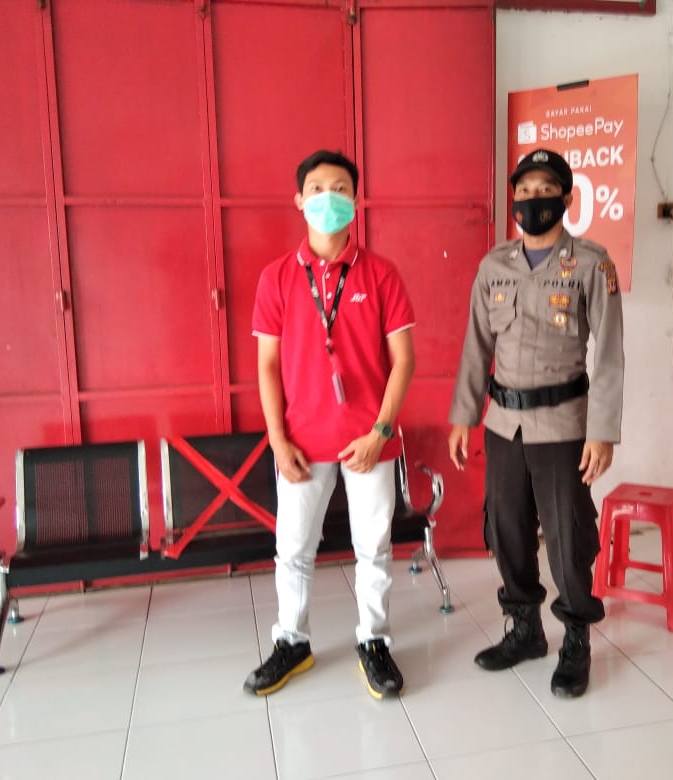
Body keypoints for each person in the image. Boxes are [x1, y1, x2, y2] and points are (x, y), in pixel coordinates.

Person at [447, 148, 624, 698]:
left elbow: (609, 354)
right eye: (523, 192)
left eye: (544, 190)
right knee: (507, 530)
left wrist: (603, 431)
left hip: (563, 426)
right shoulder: (494, 266)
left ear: (565, 198)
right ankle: (525, 630)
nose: (532, 200)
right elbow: (477, 346)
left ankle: (576, 640)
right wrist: (463, 416)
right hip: (503, 424)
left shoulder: (592, 264)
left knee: (569, 537)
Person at [245, 149, 416, 700]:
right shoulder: (276, 278)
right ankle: (292, 642)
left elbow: (404, 361)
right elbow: (267, 366)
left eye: (340, 188)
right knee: (293, 549)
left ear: (355, 200)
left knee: (375, 548)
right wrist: (277, 440)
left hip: (370, 442)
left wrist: (381, 433)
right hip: (300, 442)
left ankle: (374, 641)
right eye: (316, 189)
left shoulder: (381, 274)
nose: (328, 198)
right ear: (298, 200)